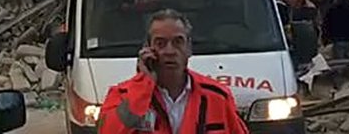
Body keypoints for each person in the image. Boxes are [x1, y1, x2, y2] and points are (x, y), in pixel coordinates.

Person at [98, 9, 248, 134]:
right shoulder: (122, 96)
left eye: (178, 42)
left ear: (189, 48)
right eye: (160, 43)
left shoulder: (217, 97)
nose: (169, 51)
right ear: (147, 48)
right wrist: (142, 86)